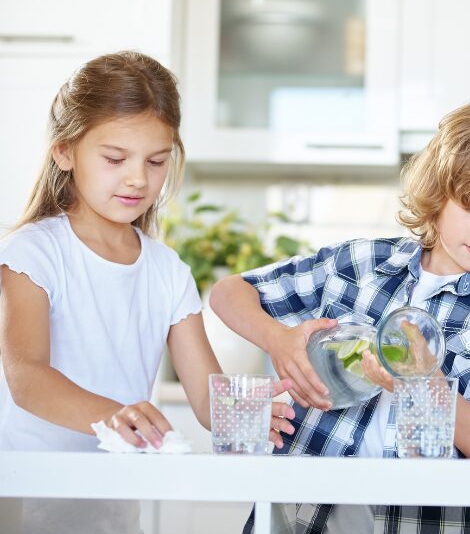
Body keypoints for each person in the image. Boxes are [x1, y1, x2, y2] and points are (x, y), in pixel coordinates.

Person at [210, 97, 470, 534]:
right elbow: (229, 293)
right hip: (304, 513)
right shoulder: (360, 264)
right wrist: (279, 340)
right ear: (439, 196)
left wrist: (423, 380)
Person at [0, 51, 293, 534]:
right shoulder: (33, 253)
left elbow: (206, 397)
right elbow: (27, 378)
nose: (138, 178)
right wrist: (114, 416)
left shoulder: (166, 270)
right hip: (30, 499)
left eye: (156, 161)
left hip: (114, 505)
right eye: (115, 159)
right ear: (64, 151)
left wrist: (250, 413)